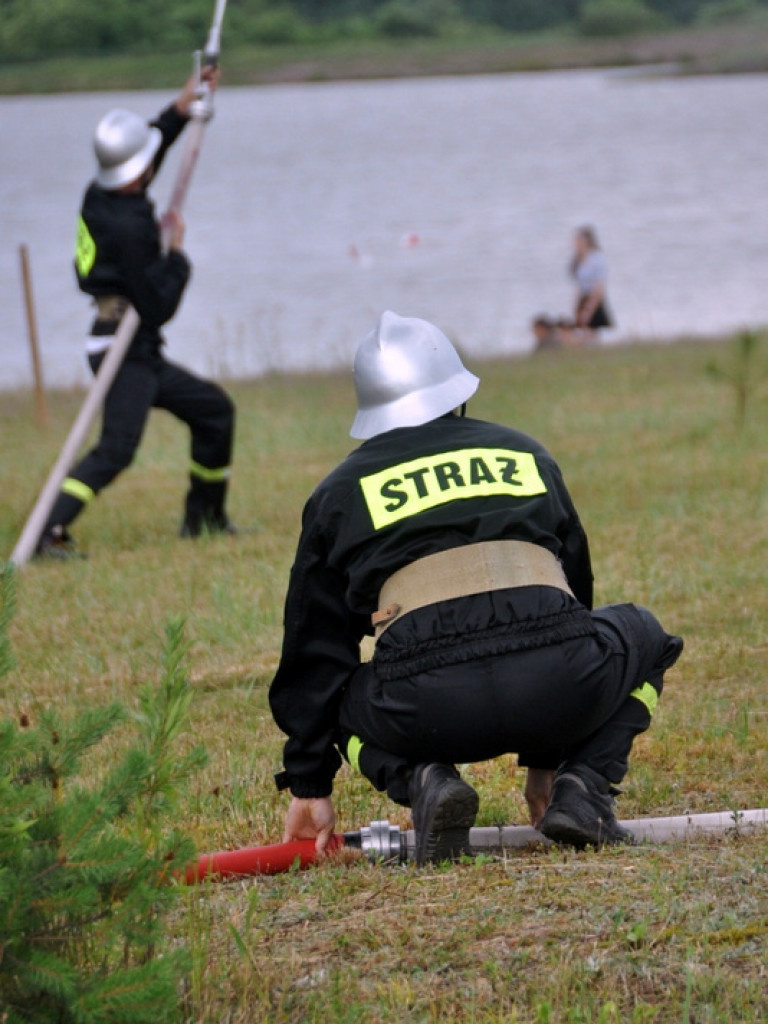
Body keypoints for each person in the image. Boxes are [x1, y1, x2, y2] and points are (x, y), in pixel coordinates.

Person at [269, 311, 682, 864]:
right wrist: (549, 757)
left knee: (335, 699)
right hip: (562, 685)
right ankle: (585, 785)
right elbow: (572, 599)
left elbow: (315, 654)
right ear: (456, 390)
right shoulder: (526, 454)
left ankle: (423, 780)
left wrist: (309, 785)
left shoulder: (339, 492)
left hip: (426, 712)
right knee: (648, 638)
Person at [36, 68, 236, 558]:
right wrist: (180, 258)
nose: (150, 167)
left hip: (131, 344)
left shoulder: (99, 194)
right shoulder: (129, 228)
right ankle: (48, 533)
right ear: (138, 174)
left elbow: (148, 153)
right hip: (121, 347)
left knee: (214, 412)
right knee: (117, 449)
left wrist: (180, 109)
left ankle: (203, 519)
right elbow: (157, 305)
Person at [569, 225, 613, 343]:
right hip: (583, 297)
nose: (578, 243)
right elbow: (579, 285)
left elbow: (599, 286)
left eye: (580, 240)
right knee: (582, 331)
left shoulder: (597, 258)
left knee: (592, 331)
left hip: (593, 298)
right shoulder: (580, 259)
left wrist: (589, 309)